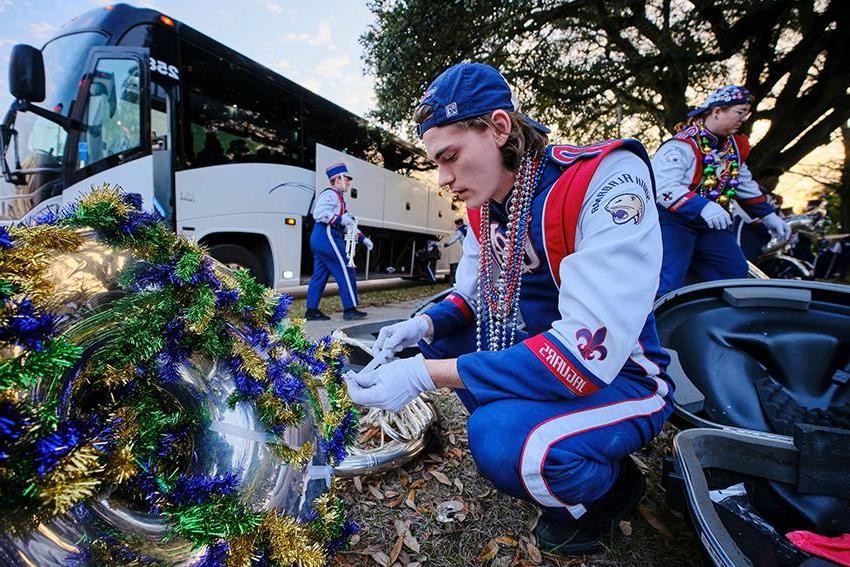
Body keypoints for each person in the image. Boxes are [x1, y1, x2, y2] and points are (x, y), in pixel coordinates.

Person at [345, 63, 673, 555]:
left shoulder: (601, 180)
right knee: (443, 335)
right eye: (437, 163)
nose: (444, 179)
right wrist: (420, 326)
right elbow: (471, 297)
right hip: (548, 359)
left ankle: (609, 492)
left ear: (500, 127)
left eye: (451, 157)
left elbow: (587, 354)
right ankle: (550, 438)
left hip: (621, 375)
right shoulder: (482, 207)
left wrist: (422, 376)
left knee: (500, 440)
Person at [653, 85, 791, 297]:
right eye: (739, 112)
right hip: (675, 222)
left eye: (746, 114)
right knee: (668, 281)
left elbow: (743, 183)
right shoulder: (681, 145)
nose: (743, 119)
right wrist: (703, 206)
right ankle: (656, 326)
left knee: (733, 271)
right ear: (717, 112)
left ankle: (713, 320)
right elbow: (663, 187)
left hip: (711, 224)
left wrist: (769, 215)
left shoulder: (733, 148)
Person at [305, 162, 373, 321]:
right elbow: (318, 213)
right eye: (347, 179)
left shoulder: (339, 199)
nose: (349, 182)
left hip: (320, 238)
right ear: (337, 179)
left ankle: (311, 311)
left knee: (319, 275)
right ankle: (350, 309)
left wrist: (363, 239)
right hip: (327, 236)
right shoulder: (330, 194)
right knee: (346, 269)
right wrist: (339, 219)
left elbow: (348, 223)